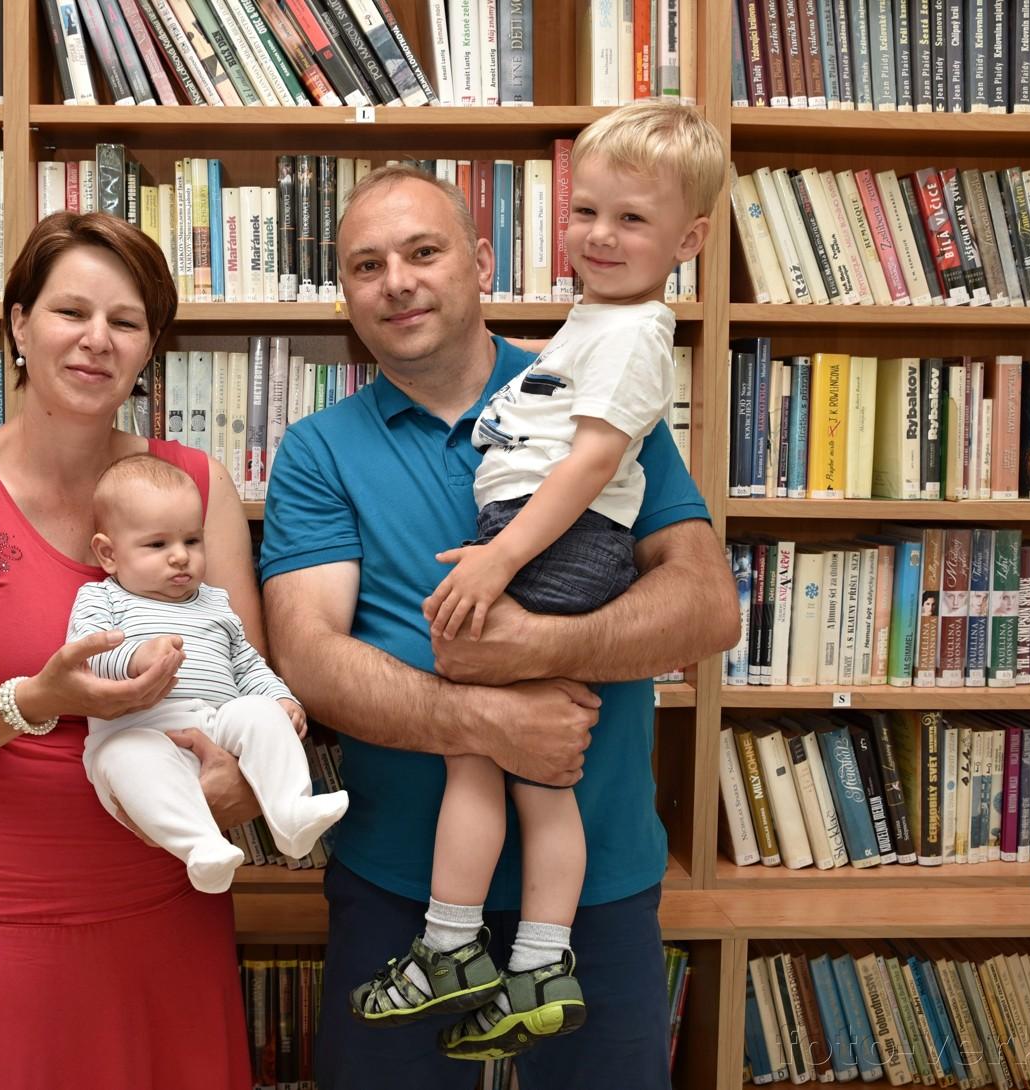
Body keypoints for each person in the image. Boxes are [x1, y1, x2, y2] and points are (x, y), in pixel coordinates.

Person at [258, 163, 740, 1088]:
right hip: (397, 888)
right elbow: (310, 659)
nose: (397, 282)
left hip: (599, 887)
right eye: (367, 265)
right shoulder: (320, 449)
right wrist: (490, 720)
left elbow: (707, 604)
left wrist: (540, 647)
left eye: (423, 252)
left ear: (481, 262)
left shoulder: (593, 390)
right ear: (345, 296)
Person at [0, 211, 258, 1090]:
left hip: (168, 910)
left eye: (126, 321)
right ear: (19, 325)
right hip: (2, 928)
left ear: (150, 348)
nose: (96, 339)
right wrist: (33, 702)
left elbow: (244, 690)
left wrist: (241, 780)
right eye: (72, 311)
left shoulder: (199, 487)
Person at [67, 453, 348, 894]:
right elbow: (83, 657)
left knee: (260, 712)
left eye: (192, 541)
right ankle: (201, 847)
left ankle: (291, 814)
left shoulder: (214, 601)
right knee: (126, 759)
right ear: (108, 553)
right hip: (137, 731)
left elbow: (247, 663)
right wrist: (135, 657)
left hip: (217, 725)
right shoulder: (100, 599)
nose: (180, 557)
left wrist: (279, 698)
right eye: (157, 545)